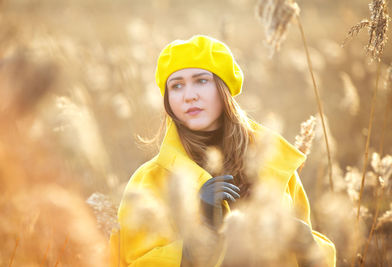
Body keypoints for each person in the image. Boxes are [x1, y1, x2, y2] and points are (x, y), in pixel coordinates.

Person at [109, 35, 336, 267]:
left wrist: (305, 242)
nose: (189, 95)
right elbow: (131, 261)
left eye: (201, 81)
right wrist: (204, 232)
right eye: (176, 85)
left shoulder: (273, 163)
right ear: (168, 100)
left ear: (224, 88)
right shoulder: (149, 180)